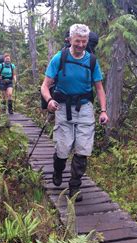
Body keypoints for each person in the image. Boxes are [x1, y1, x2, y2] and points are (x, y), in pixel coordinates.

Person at [40, 24, 109, 202]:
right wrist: (49, 101)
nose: (80, 45)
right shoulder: (59, 58)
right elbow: (45, 85)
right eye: (77, 41)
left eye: (84, 42)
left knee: (83, 148)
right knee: (63, 147)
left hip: (84, 107)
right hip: (63, 107)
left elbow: (99, 88)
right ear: (70, 40)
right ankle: (58, 169)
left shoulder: (92, 61)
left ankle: (75, 186)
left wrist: (103, 111)